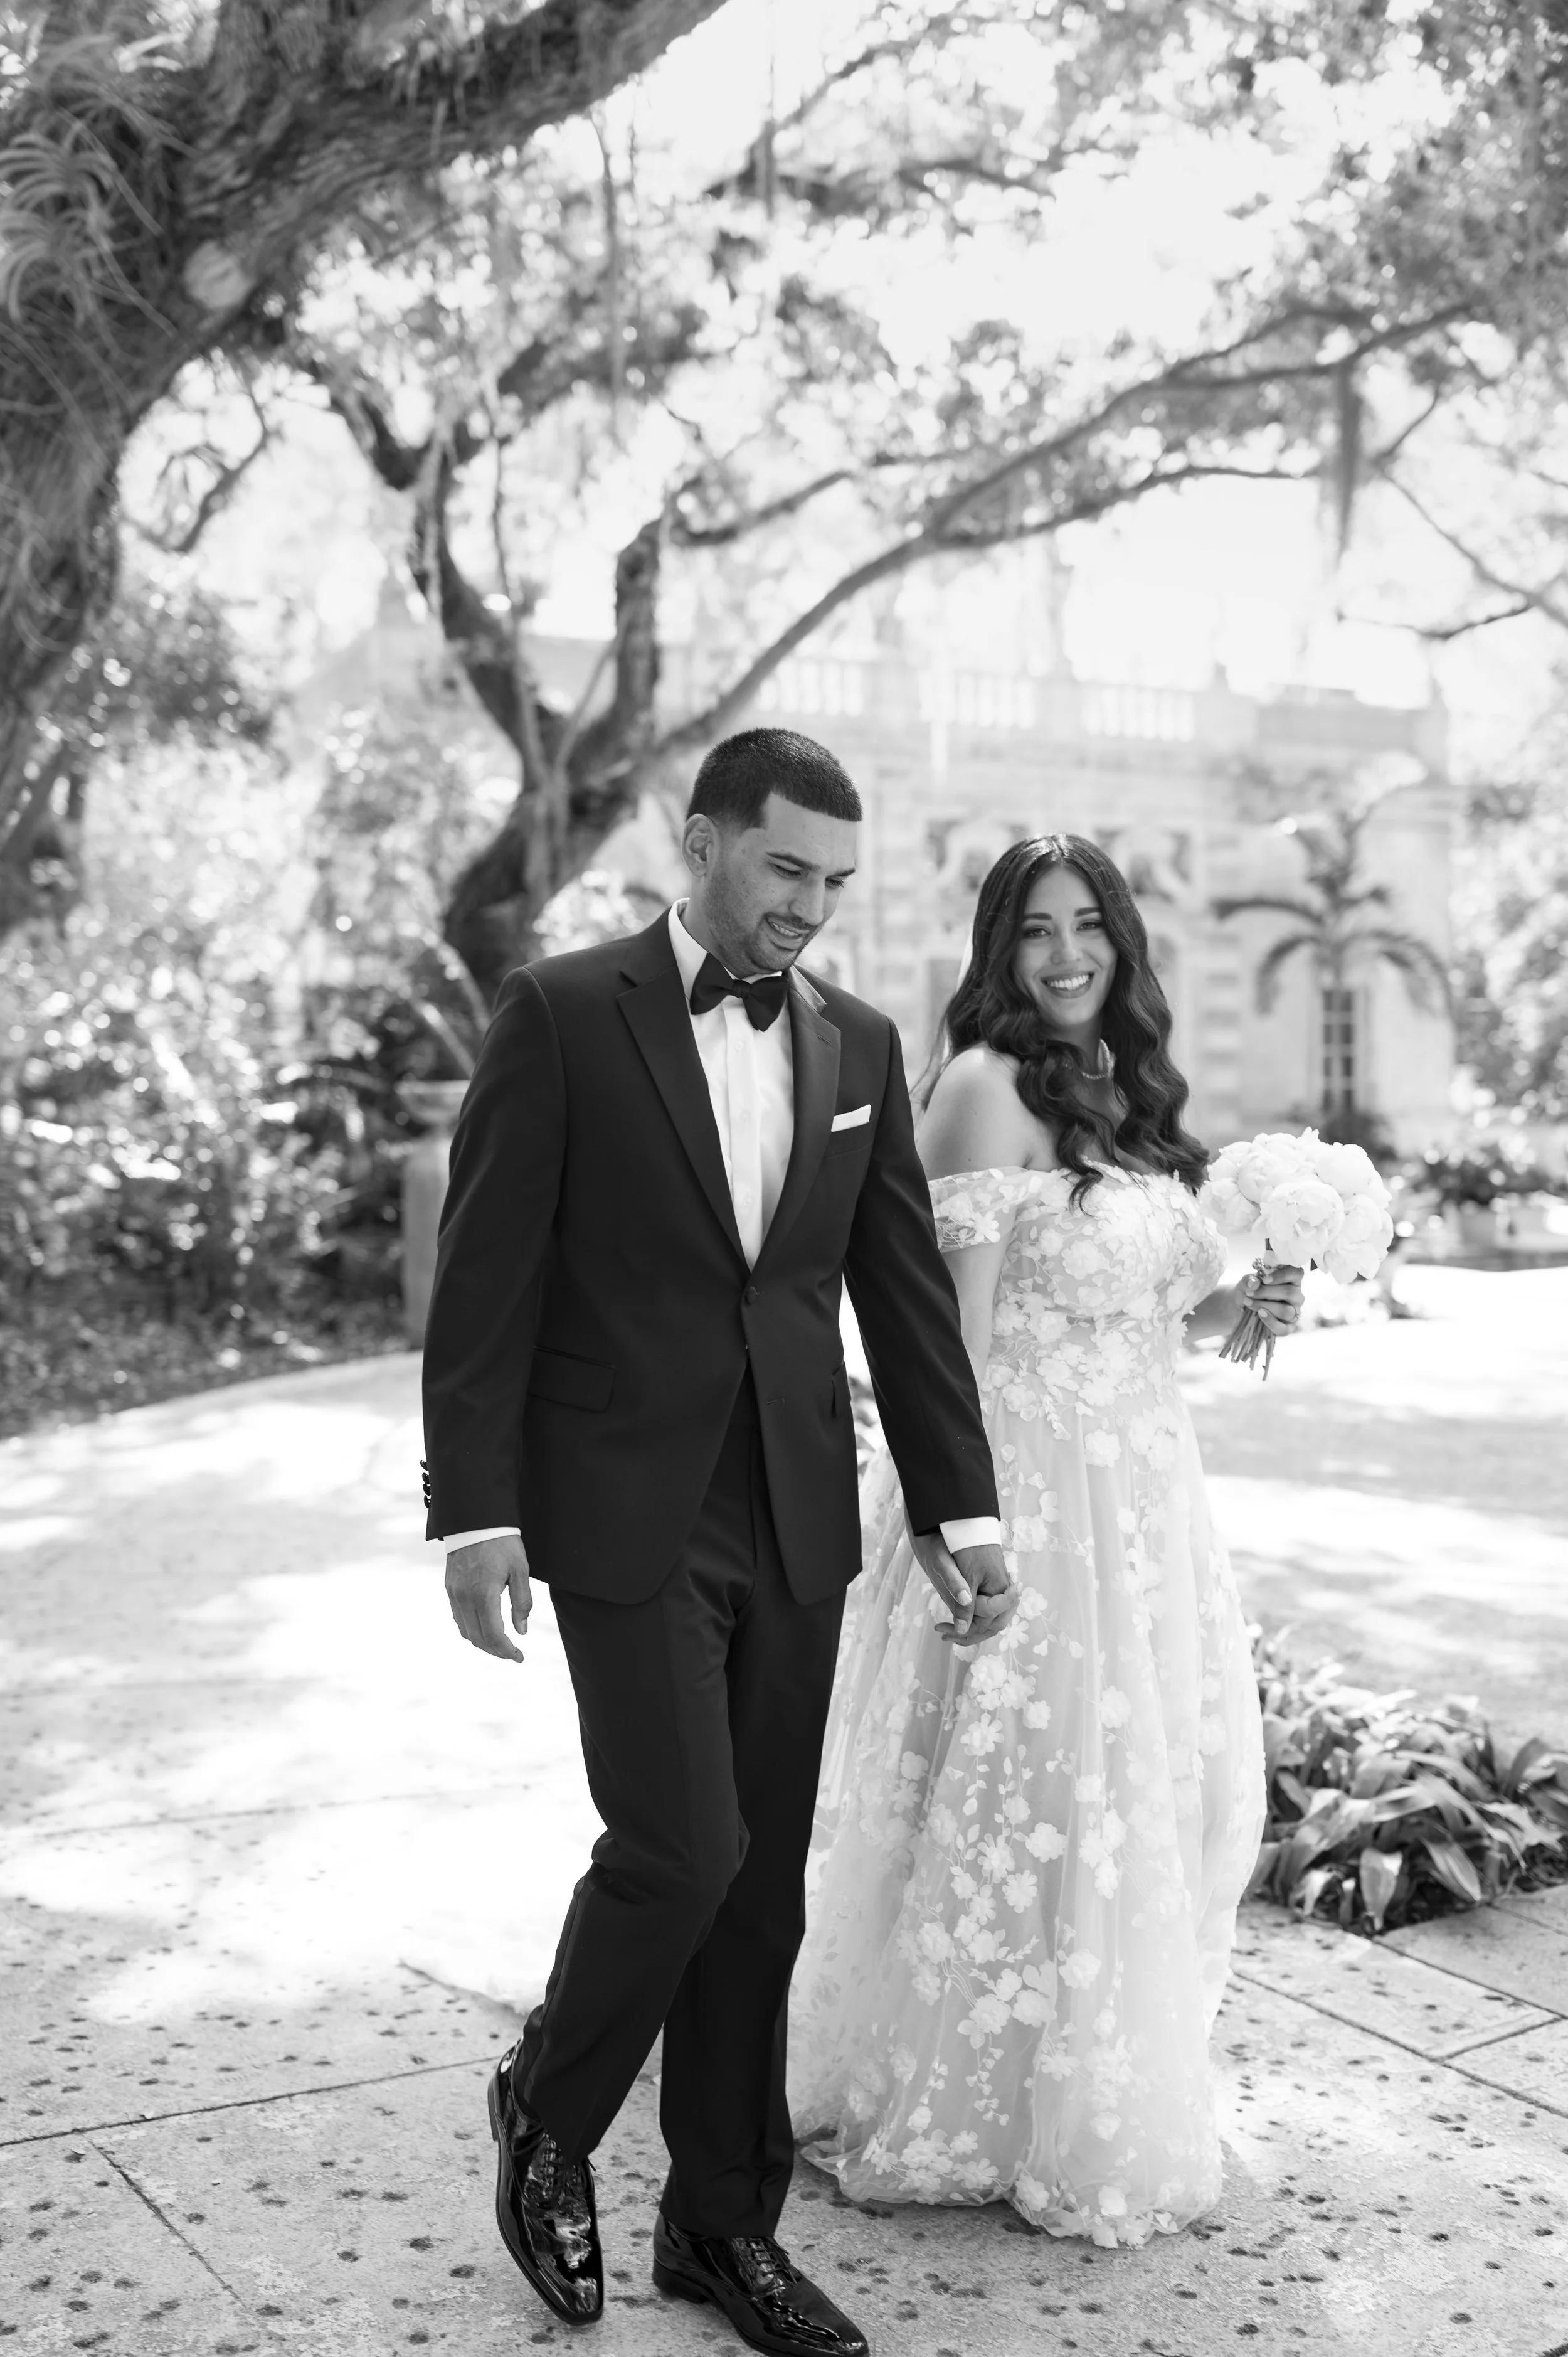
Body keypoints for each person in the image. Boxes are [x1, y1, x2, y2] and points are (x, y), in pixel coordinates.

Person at [420, 727, 1016, 2354]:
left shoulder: (859, 1043)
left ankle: (718, 2224)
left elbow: (898, 1298)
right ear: (701, 843)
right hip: (621, 1504)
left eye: (832, 880)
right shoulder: (558, 1014)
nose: (807, 909)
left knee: (759, 1895)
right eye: (782, 870)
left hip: (797, 1507)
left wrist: (959, 1509)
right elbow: (483, 1286)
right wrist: (473, 1509)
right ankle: (545, 2105)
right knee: (683, 1847)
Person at [788, 832, 1302, 2248]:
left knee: (1135, 1791)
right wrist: (960, 1526)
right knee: (1019, 1789)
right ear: (997, 950)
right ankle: (965, 2091)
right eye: (1034, 931)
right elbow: (929, 1343)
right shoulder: (975, 1089)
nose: (1064, 955)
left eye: (1086, 927)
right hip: (1019, 1498)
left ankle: (1083, 2082)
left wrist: (1244, 1302)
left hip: (1141, 1502)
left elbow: (1161, 1320)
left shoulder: (1131, 1094)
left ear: (1122, 943)